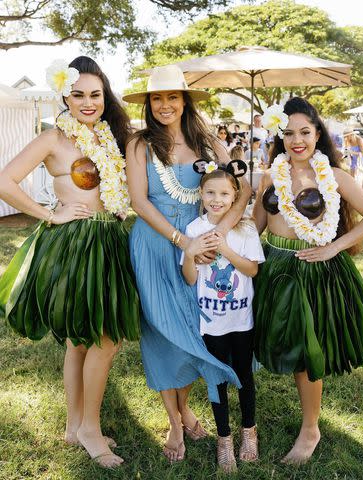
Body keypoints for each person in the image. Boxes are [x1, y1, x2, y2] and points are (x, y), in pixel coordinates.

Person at [0, 56, 140, 468]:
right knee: (102, 338)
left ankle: (76, 424)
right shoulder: (54, 139)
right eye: (78, 94)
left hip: (109, 239)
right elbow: (5, 180)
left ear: (104, 96)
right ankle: (91, 431)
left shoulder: (109, 139)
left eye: (95, 94)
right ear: (65, 95)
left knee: (82, 339)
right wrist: (50, 213)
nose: (88, 102)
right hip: (77, 244)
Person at [124, 65, 251, 463]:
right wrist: (183, 241)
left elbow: (241, 187)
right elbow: (139, 202)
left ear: (184, 101)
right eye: (157, 98)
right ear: (148, 104)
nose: (164, 105)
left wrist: (219, 233)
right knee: (161, 331)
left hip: (202, 241)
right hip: (157, 242)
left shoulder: (207, 140)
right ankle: (175, 421)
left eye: (172, 97)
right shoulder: (139, 144)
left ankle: (187, 407)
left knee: (193, 329)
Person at [252, 97, 363, 465]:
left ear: (317, 133)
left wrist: (335, 247)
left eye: (305, 132)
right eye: (289, 132)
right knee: (291, 345)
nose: (297, 140)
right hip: (277, 269)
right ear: (280, 136)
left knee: (311, 350)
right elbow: (256, 227)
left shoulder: (333, 176)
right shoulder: (269, 175)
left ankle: (311, 428)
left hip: (316, 270)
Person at [181, 161, 265, 473]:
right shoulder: (193, 230)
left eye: (224, 194)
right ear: (201, 195)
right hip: (210, 322)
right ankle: (224, 439)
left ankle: (248, 431)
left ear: (234, 198)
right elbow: (190, 278)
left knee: (243, 375)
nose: (217, 199)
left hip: (241, 320)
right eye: (210, 192)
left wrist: (225, 250)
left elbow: (253, 270)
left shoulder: (245, 228)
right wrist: (190, 253)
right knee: (216, 379)